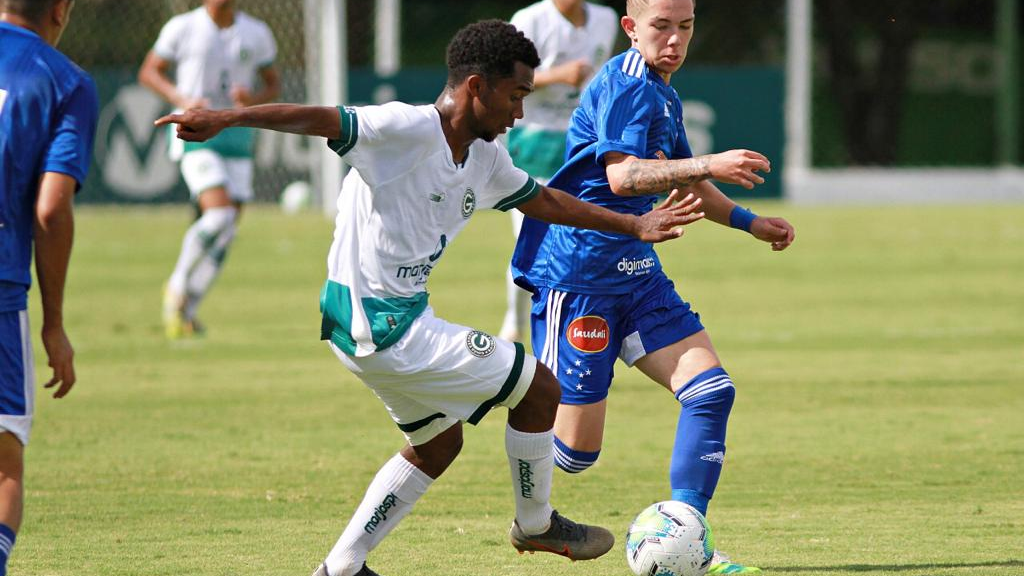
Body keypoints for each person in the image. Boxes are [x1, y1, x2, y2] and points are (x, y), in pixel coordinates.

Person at [157, 19, 704, 576]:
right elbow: (318, 117)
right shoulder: (404, 129)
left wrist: (632, 226)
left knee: (439, 445)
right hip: (382, 326)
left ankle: (341, 567)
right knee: (540, 389)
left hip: (375, 324)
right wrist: (223, 117)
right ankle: (536, 524)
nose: (519, 113)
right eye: (515, 97)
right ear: (476, 87)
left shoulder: (485, 157)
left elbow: (544, 201)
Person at [511, 0, 796, 573]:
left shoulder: (663, 90)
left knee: (711, 392)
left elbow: (686, 177)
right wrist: (712, 163)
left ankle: (691, 542)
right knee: (574, 456)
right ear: (630, 28)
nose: (674, 39)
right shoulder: (627, 85)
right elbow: (624, 177)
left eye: (685, 26)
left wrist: (748, 222)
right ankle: (517, 425)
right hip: (581, 279)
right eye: (661, 26)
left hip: (639, 275)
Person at [0, 0, 96, 573]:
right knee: (4, 467)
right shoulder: (63, 81)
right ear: (62, 8)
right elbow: (52, 208)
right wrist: (53, 323)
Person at [138, 0, 280, 339]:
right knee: (220, 217)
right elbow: (149, 71)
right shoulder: (183, 27)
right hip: (196, 136)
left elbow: (273, 84)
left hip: (237, 139)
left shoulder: (256, 32)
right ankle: (175, 287)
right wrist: (181, 98)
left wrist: (254, 99)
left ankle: (188, 310)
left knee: (227, 231)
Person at [499, 0, 619, 342]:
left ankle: (579, 326)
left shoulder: (606, 19)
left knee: (585, 242)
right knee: (531, 241)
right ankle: (516, 321)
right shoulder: (529, 19)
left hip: (582, 144)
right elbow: (506, 78)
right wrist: (556, 76)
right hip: (535, 144)